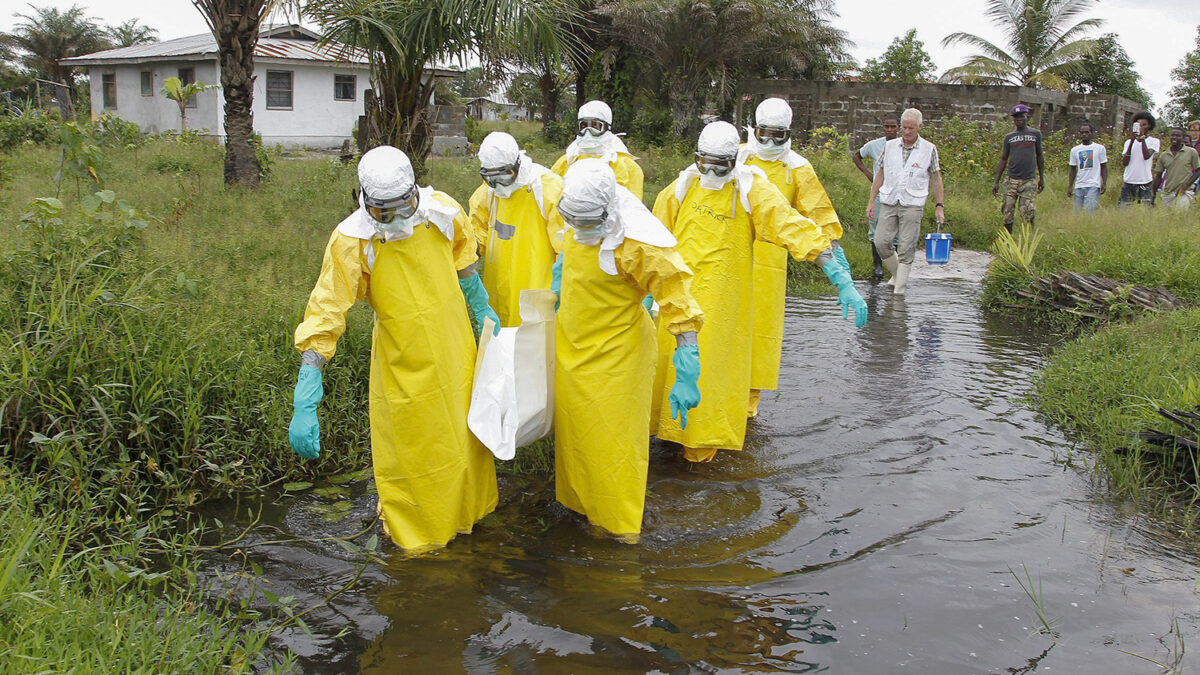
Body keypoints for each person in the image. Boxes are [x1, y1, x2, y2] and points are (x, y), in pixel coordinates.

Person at [288, 146, 500, 552]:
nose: (399, 219)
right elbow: (326, 309)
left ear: (415, 193)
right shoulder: (353, 240)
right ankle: (419, 536)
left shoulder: (442, 212)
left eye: (405, 206)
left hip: (456, 350)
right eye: (386, 213)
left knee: (465, 439)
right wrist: (307, 389)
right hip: (402, 361)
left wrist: (481, 306)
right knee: (414, 452)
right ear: (365, 202)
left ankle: (468, 515)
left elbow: (464, 259)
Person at [650, 121, 866, 464]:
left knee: (714, 375)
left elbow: (795, 229)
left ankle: (700, 453)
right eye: (704, 162)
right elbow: (652, 241)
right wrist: (649, 296)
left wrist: (839, 275)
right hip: (678, 301)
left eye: (719, 164)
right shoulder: (680, 188)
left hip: (724, 306)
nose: (711, 171)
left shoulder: (752, 191)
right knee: (666, 370)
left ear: (734, 160)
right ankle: (666, 439)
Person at [549, 158, 704, 540]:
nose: (580, 229)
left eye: (588, 223)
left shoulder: (638, 243)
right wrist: (557, 283)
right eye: (574, 221)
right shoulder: (575, 214)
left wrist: (688, 367)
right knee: (577, 437)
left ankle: (618, 528)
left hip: (619, 358)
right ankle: (582, 508)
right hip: (574, 349)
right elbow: (568, 256)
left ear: (608, 211)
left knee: (614, 445)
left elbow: (678, 300)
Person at [738, 97, 844, 419]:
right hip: (733, 254)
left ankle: (747, 411)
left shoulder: (798, 168)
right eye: (763, 133)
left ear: (788, 134)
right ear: (754, 130)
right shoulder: (737, 157)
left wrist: (837, 263)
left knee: (760, 334)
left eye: (777, 135)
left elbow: (821, 214)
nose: (769, 141)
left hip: (770, 264)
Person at [468, 131, 565, 326]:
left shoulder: (547, 188)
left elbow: (566, 246)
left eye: (505, 176)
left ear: (517, 165)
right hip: (500, 283)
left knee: (535, 341)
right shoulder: (488, 193)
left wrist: (560, 286)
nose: (499, 185)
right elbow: (476, 232)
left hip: (538, 281)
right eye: (491, 179)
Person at [866, 108, 946, 296]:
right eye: (904, 128)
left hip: (913, 203)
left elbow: (936, 178)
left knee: (906, 246)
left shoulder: (929, 149)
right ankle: (897, 274)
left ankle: (899, 292)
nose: (907, 132)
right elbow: (881, 173)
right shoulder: (890, 146)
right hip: (890, 199)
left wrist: (939, 205)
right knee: (880, 241)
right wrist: (871, 201)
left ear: (919, 127)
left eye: (911, 128)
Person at [551, 100, 645, 199]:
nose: (588, 131)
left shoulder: (627, 167)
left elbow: (632, 207)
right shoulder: (566, 162)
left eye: (595, 126)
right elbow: (552, 199)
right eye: (583, 125)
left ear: (607, 127)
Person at [852, 113, 900, 277]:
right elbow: (856, 156)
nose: (889, 130)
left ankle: (895, 268)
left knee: (896, 232)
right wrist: (867, 173)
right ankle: (877, 266)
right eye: (886, 126)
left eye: (893, 126)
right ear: (883, 128)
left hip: (898, 194)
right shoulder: (874, 146)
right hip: (879, 193)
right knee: (875, 228)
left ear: (898, 128)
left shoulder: (904, 146)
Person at [992, 103, 1044, 232]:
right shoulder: (1009, 137)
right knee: (1007, 210)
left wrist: (1041, 178)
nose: (1018, 119)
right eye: (1015, 117)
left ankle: (1029, 236)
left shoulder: (1035, 134)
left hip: (1029, 180)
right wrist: (997, 181)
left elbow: (1039, 156)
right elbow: (1004, 158)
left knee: (1026, 210)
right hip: (1011, 179)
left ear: (1027, 116)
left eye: (1021, 116)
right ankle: (1007, 239)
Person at [1152, 127, 1200, 209]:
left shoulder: (1191, 152)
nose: (1174, 137)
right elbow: (1158, 176)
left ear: (1183, 138)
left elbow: (1198, 170)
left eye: (1178, 136)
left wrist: (1186, 185)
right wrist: (1152, 195)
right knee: (1167, 218)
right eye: (1172, 135)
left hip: (1184, 192)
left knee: (1180, 214)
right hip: (1168, 192)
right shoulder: (1164, 155)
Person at [1119, 111, 1160, 207]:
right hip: (1129, 181)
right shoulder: (1128, 142)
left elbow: (1146, 156)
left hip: (1145, 182)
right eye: (1139, 125)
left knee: (1145, 210)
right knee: (1124, 209)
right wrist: (1132, 142)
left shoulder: (1154, 141)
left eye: (1144, 125)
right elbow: (1125, 162)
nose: (1141, 127)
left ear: (1149, 126)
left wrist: (1142, 140)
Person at [1066, 122, 1108, 213]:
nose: (1084, 134)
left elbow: (1103, 166)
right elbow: (1073, 169)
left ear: (1091, 133)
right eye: (1082, 132)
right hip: (1079, 185)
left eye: (1087, 132)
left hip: (1093, 184)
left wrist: (1104, 183)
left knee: (1090, 211)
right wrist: (1070, 186)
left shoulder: (1099, 148)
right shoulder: (1074, 150)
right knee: (1077, 213)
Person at [1187, 120, 1200, 196]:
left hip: (1196, 170)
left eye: (1196, 130)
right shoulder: (1184, 141)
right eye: (1192, 130)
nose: (1194, 133)